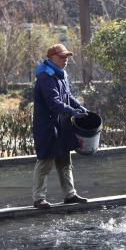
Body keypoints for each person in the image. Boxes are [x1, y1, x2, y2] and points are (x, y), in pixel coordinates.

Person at [31, 43, 90, 209]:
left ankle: (70, 194)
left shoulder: (61, 75)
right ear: (51, 58)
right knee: (45, 161)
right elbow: (54, 102)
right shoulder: (46, 77)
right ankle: (38, 198)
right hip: (47, 126)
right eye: (62, 57)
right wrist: (72, 111)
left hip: (61, 124)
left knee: (65, 160)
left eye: (67, 57)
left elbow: (67, 96)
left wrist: (79, 107)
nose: (65, 60)